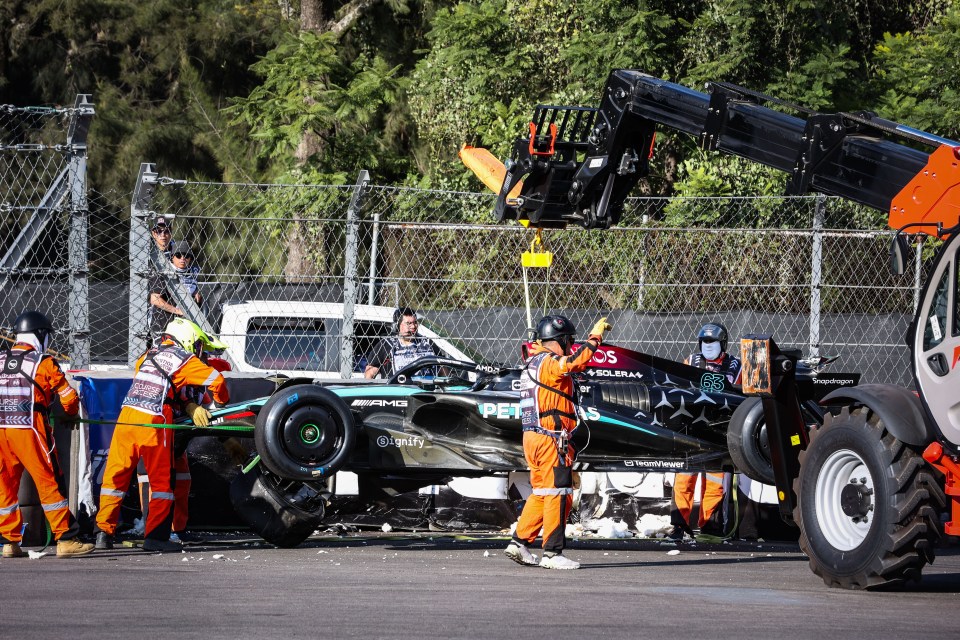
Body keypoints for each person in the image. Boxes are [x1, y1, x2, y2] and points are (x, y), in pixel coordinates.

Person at [95, 317, 230, 552]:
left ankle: (102, 534)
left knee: (114, 479)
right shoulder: (185, 359)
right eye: (198, 346)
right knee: (162, 483)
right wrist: (222, 404)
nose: (200, 352)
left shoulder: (147, 355)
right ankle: (156, 537)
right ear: (188, 340)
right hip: (155, 419)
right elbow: (216, 381)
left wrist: (187, 402)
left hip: (127, 416)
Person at [505, 314, 612, 570]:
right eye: (569, 341)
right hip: (551, 438)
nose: (571, 345)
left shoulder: (533, 361)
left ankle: (518, 542)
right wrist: (595, 338)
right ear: (560, 340)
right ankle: (553, 553)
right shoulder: (550, 362)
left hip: (533, 436)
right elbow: (575, 362)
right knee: (558, 494)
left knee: (542, 493)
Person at [0, 310, 94, 557]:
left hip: (1, 431)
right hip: (30, 429)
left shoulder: (0, 360)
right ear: (40, 335)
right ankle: (66, 539)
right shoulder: (44, 362)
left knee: (5, 487)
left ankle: (9, 542)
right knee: (49, 481)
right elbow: (68, 396)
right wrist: (69, 413)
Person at [670, 321, 742, 539]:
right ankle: (679, 526)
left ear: (723, 343)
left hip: (719, 429)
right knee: (684, 477)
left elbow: (741, 394)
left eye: (713, 341)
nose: (708, 345)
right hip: (690, 427)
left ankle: (710, 527)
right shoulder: (690, 361)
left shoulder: (735, 365)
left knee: (715, 480)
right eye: (704, 341)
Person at [364, 307, 441, 379]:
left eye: (415, 323)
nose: (413, 326)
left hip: (425, 392)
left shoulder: (427, 343)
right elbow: (370, 373)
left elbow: (443, 369)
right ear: (397, 326)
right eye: (408, 323)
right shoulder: (387, 344)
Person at [148, 216, 185, 345]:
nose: (163, 235)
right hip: (159, 318)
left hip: (179, 320)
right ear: (153, 233)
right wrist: (179, 311)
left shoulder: (178, 253)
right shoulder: (147, 255)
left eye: (166, 231)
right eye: (159, 231)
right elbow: (154, 299)